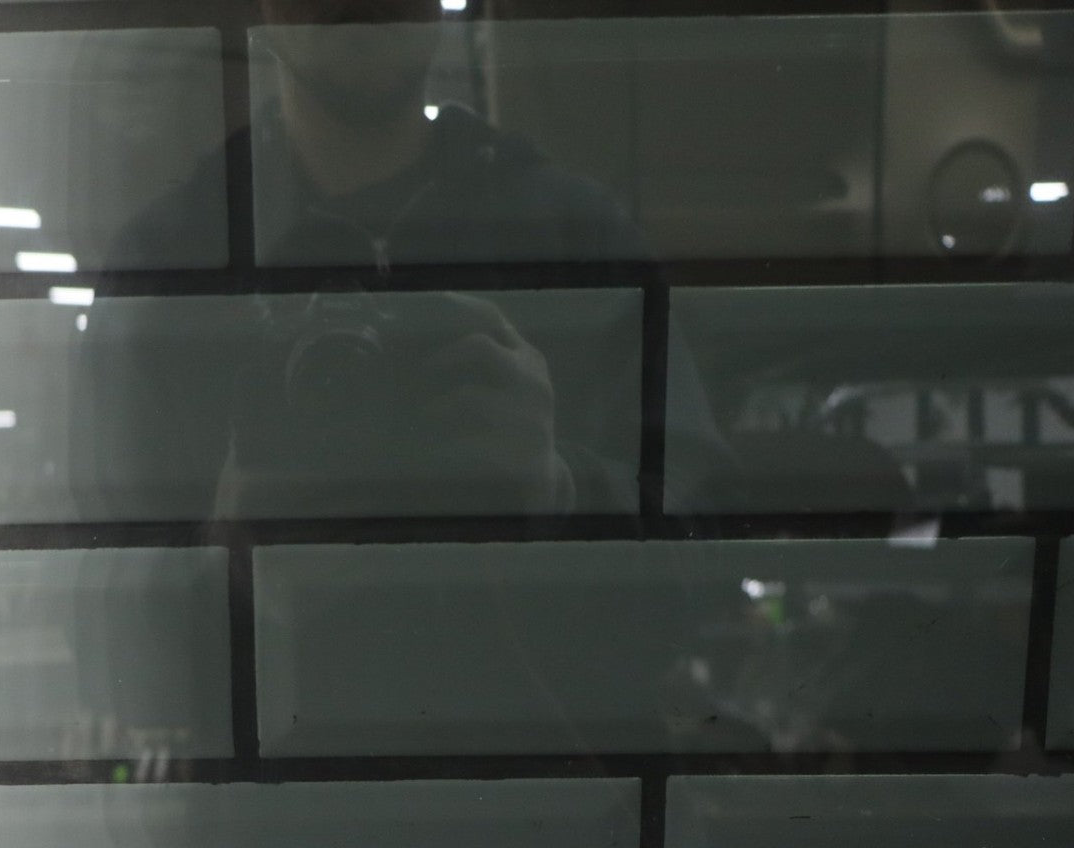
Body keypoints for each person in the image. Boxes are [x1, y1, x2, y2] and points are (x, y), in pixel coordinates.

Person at [81, 0, 691, 524]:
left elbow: (701, 522)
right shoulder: (162, 261)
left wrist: (560, 487)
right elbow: (104, 586)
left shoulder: (581, 238)